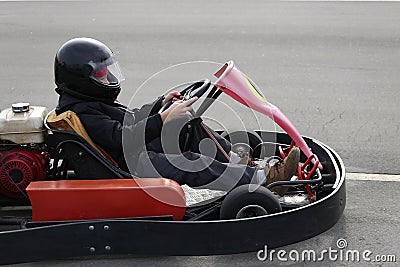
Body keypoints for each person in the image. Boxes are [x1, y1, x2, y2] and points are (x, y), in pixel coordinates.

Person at [53, 37, 300, 195]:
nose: (108, 79)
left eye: (107, 72)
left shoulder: (86, 101)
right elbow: (121, 138)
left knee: (185, 123)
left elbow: (129, 119)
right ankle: (265, 179)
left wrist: (160, 104)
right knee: (190, 161)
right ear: (80, 78)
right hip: (131, 166)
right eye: (101, 75)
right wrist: (162, 119)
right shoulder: (82, 112)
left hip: (133, 154)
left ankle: (239, 162)